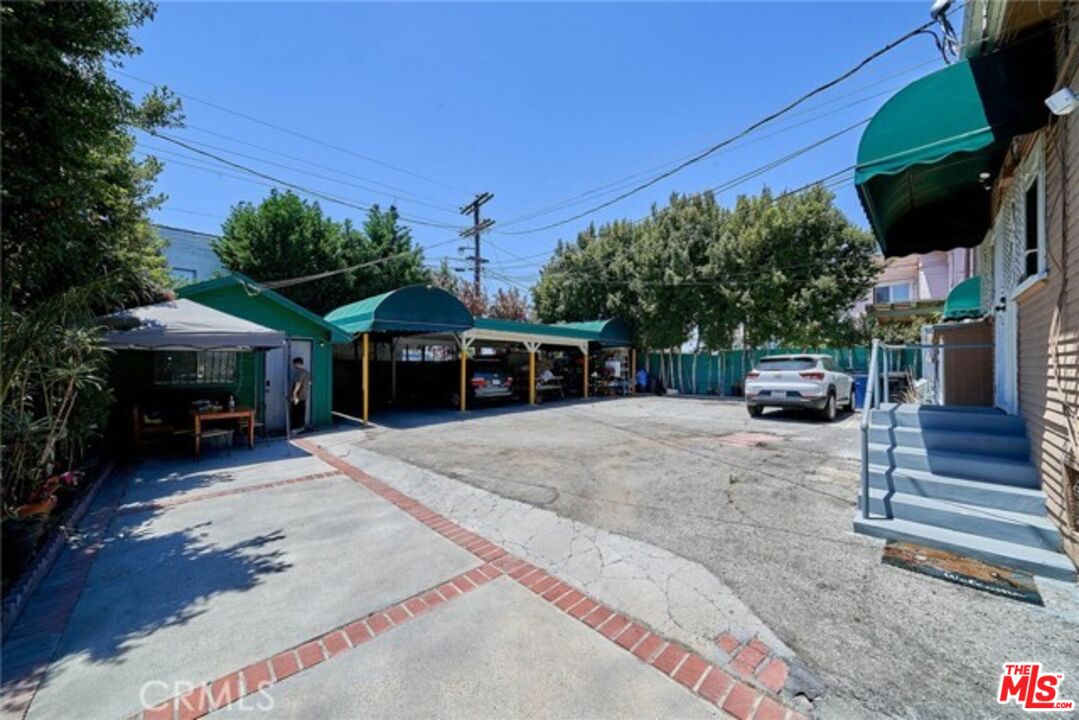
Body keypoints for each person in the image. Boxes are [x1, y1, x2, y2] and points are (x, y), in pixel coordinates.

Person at [290, 357, 310, 433]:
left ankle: (296, 429)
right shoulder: (307, 372)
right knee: (301, 412)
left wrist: (294, 394)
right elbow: (309, 383)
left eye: (294, 364)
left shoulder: (299, 372)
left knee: (295, 413)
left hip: (298, 397)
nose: (293, 366)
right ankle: (301, 427)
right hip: (304, 396)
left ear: (297, 363)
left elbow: (298, 383)